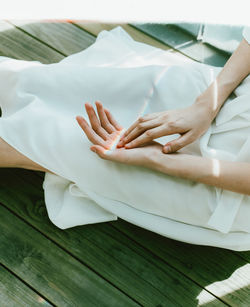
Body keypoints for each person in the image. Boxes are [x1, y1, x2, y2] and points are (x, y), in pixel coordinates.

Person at [0, 25, 250, 251]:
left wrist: (158, 159)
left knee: (66, 144)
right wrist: (207, 104)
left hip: (229, 187)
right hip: (235, 97)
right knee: (54, 82)